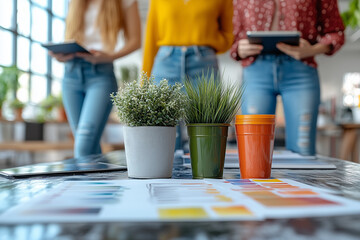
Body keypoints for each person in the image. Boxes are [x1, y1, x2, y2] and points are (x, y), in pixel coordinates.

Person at [231, 0, 345, 156]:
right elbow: (231, 35)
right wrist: (239, 48)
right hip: (256, 69)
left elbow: (336, 32)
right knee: (253, 152)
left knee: (303, 150)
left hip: (301, 69)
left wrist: (311, 49)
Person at [49, 0, 141, 157]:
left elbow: (135, 41)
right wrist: (61, 55)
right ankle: (96, 181)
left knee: (84, 143)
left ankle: (86, 181)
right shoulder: (75, 2)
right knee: (86, 144)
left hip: (100, 75)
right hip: (71, 73)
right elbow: (70, 37)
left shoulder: (125, 2)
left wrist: (110, 57)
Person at [142, 0, 234, 150]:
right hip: (166, 62)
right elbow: (150, 40)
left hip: (203, 63)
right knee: (164, 137)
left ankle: (206, 173)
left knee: (207, 133)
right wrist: (144, 84)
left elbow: (228, 37)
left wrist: (206, 41)